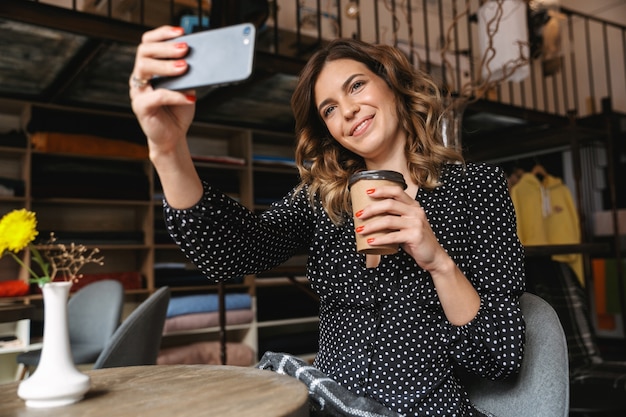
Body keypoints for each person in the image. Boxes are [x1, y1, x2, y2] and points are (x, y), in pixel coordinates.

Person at [130, 26, 526, 417]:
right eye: (330, 109)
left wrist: (438, 262)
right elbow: (231, 255)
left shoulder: (477, 188)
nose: (348, 111)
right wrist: (168, 150)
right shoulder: (323, 198)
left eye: (356, 86)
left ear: (393, 84)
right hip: (329, 406)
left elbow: (501, 359)